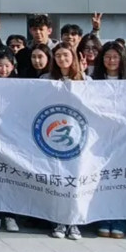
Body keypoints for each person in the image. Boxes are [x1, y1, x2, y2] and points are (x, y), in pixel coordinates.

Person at [92, 41, 126, 239]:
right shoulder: (93, 80)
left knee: (122, 179)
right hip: (100, 138)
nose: (111, 61)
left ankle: (120, 220)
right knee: (102, 179)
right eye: (108, 57)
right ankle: (103, 218)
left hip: (125, 137)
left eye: (115, 57)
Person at [44, 44, 88, 240]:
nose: (62, 59)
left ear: (73, 57)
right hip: (52, 137)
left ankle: (75, 223)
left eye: (66, 55)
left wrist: (84, 77)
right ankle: (59, 221)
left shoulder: (86, 80)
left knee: (76, 181)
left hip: (78, 138)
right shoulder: (45, 80)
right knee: (57, 181)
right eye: (58, 55)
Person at [0, 48, 21, 233]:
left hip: (14, 138)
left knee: (12, 177)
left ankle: (11, 216)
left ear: (13, 66)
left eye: (7, 66)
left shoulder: (21, 85)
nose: (3, 69)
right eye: (0, 65)